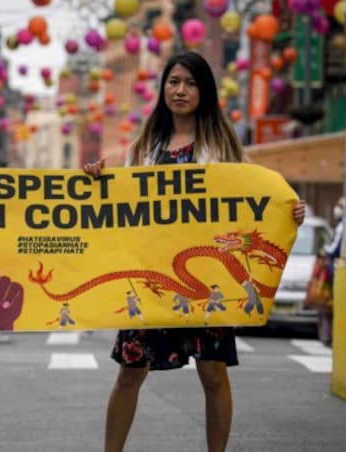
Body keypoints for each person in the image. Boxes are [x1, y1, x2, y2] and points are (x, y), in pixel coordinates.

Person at [83, 51, 306, 452]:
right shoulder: (143, 147)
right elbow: (118, 204)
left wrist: (289, 210)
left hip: (208, 280)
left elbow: (254, 198)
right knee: (130, 373)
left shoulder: (222, 146)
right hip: (152, 277)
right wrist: (98, 179)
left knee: (214, 374)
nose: (180, 91)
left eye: (190, 83)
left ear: (204, 91)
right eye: (173, 82)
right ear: (162, 88)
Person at [319, 197, 344, 346]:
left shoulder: (342, 227)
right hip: (339, 269)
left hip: (335, 269)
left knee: (329, 302)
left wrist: (323, 250)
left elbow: (333, 249)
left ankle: (329, 334)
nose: (337, 209)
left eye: (340, 206)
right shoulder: (343, 225)